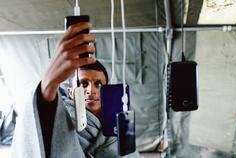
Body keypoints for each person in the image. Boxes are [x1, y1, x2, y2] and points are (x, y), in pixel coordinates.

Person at [11, 21, 140, 158]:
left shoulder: (119, 120)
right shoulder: (58, 119)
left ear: (107, 91)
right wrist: (49, 83)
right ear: (71, 92)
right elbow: (37, 134)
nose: (91, 90)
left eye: (99, 84)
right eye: (83, 84)